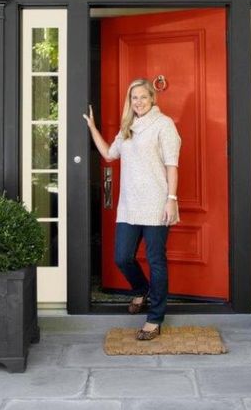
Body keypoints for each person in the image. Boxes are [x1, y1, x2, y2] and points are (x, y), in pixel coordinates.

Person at [83, 78, 181, 340]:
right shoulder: (128, 127)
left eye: (143, 97)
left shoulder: (164, 125)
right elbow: (108, 154)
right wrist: (93, 127)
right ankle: (141, 289)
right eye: (133, 98)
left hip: (157, 203)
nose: (138, 102)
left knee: (156, 260)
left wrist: (171, 198)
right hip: (129, 205)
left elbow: (172, 164)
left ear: (152, 98)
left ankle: (155, 317)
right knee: (122, 257)